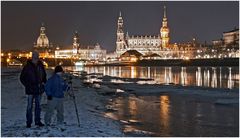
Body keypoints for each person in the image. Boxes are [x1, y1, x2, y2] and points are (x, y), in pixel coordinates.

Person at [20, 51, 47, 128]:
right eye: (35, 56)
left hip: (39, 89)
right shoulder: (27, 67)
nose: (36, 57)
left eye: (37, 56)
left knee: (38, 106)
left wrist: (44, 83)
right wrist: (27, 85)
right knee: (29, 106)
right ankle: (29, 122)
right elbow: (22, 78)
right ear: (32, 57)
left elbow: (44, 76)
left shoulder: (41, 66)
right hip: (30, 90)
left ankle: (37, 121)